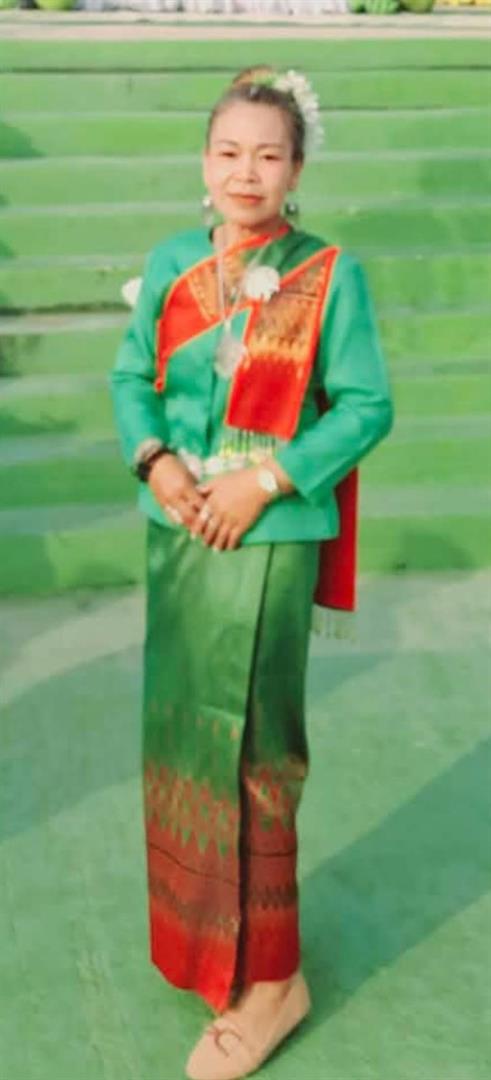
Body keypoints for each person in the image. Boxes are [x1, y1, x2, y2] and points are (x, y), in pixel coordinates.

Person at [110, 65, 393, 1080]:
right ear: (203, 161)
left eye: (267, 155)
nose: (245, 171)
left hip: (266, 539)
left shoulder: (327, 274)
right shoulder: (172, 261)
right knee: (183, 740)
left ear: (295, 169)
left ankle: (271, 978)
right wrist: (156, 460)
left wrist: (264, 480)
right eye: (228, 152)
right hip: (177, 530)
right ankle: (203, 949)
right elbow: (131, 377)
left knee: (253, 751)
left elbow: (365, 406)